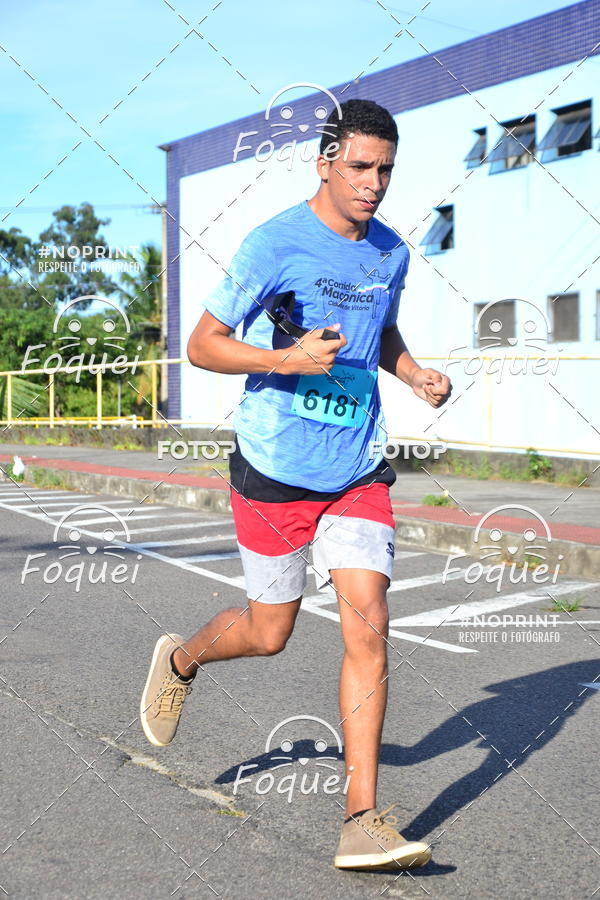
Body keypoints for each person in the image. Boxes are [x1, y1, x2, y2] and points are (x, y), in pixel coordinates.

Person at [140, 98, 451, 871]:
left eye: (385, 169)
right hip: (274, 466)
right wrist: (285, 359)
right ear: (324, 162)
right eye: (359, 167)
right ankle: (183, 659)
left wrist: (411, 373)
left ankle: (362, 819)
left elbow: (381, 333)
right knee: (268, 632)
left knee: (367, 623)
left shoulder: (390, 252)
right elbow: (204, 345)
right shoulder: (275, 243)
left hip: (356, 468)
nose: (374, 184)